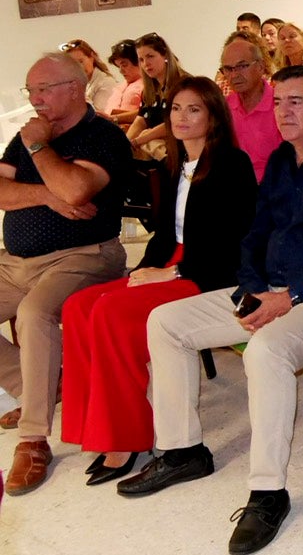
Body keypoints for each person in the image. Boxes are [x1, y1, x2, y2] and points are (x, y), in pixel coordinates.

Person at [119, 67, 303, 555]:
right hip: (268, 288)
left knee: (264, 352)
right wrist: (250, 288)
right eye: (279, 102)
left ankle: (268, 491)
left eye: (295, 102)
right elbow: (254, 232)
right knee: (167, 322)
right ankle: (183, 450)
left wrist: (288, 297)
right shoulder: (284, 161)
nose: (283, 113)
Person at [60, 77, 256, 486]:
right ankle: (95, 429)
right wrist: (141, 272)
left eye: (194, 110)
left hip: (206, 273)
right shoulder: (172, 166)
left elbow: (233, 241)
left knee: (112, 314)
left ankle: (128, 438)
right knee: (78, 307)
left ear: (213, 117)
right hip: (170, 261)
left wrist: (173, 272)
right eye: (176, 109)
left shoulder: (232, 165)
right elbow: (164, 236)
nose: (181, 118)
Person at [0, 53, 133, 493]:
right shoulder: (28, 135)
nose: (35, 100)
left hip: (84, 254)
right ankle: (39, 381)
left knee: (34, 314)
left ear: (74, 88)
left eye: (43, 90)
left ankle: (33, 438)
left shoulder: (103, 135)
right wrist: (47, 196)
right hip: (16, 260)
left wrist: (40, 149)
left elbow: (78, 189)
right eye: (30, 91)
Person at [220, 31, 281, 182]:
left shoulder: (281, 105)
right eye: (228, 69)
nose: (234, 75)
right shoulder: (223, 108)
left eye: (242, 66)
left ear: (260, 67)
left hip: (274, 192)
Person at [126, 33, 189, 159]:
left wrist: (140, 140)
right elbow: (141, 120)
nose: (146, 64)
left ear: (164, 55)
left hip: (179, 144)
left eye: (150, 56)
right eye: (141, 60)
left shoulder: (183, 84)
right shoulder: (149, 89)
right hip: (152, 146)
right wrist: (125, 143)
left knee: (147, 139)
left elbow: (173, 123)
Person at [61, 39, 116, 113]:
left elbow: (99, 116)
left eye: (81, 61)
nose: (79, 67)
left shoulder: (106, 83)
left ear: (91, 57)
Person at [105, 39, 145, 126]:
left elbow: (148, 114)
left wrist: (114, 118)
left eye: (124, 65)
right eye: (118, 66)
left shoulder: (148, 86)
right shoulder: (119, 87)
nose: (121, 71)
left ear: (138, 61)